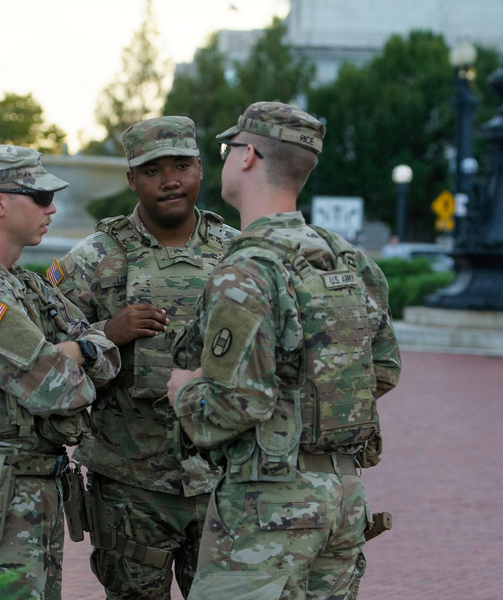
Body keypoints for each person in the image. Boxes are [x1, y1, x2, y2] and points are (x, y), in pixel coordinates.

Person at [167, 102, 402, 600]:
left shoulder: (248, 269)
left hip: (268, 503)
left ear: (248, 155)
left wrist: (184, 391)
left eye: (227, 149)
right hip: (343, 496)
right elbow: (382, 370)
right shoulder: (347, 260)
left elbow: (237, 404)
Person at [0, 144, 120, 600]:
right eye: (40, 196)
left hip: (28, 488)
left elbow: (108, 355)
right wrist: (77, 351)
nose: (52, 209)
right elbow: (58, 391)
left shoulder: (20, 283)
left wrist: (72, 352)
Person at [51, 116, 238, 599]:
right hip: (130, 484)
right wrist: (106, 334)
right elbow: (43, 360)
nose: (170, 180)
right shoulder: (93, 259)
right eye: (153, 171)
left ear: (201, 169)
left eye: (182, 166)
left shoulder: (239, 254)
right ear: (131, 179)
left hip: (224, 478)